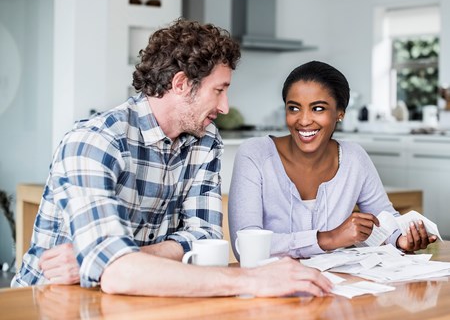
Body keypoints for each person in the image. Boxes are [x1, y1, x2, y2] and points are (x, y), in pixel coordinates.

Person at [11, 19, 331, 297]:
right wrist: (251, 280)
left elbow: (205, 237)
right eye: (218, 90)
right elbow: (117, 272)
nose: (224, 107)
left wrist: (107, 259)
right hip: (44, 300)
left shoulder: (204, 141)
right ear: (181, 84)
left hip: (136, 295)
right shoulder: (96, 142)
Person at [229, 60, 437, 260]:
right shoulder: (255, 155)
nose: (304, 120)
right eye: (294, 108)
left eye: (318, 108)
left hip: (336, 287)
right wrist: (330, 238)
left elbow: (384, 218)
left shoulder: (354, 158)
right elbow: (245, 246)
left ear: (340, 113)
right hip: (270, 289)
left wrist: (401, 239)